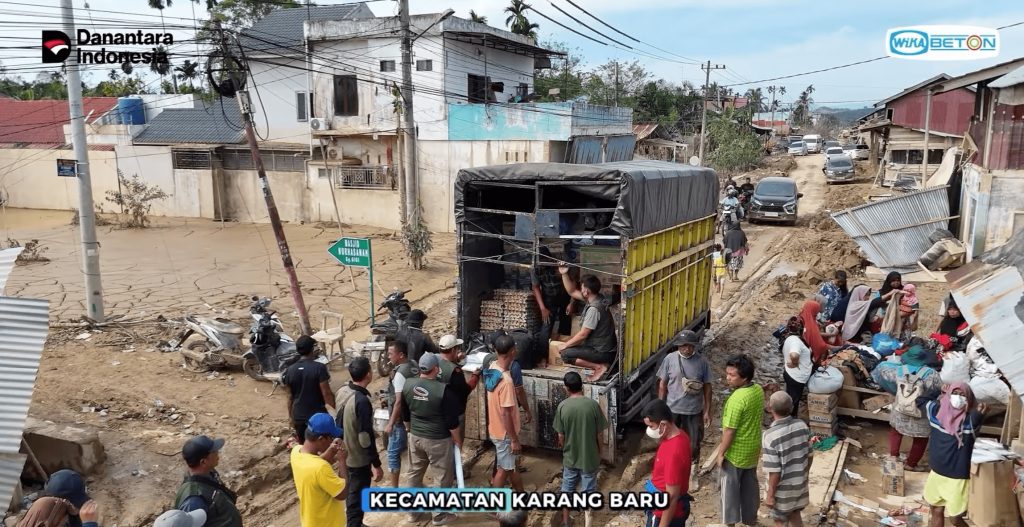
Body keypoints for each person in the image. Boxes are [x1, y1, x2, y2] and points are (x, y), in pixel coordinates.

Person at [403, 352, 463, 525]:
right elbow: (452, 422)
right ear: (436, 369)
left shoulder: (408, 384)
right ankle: (439, 515)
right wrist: (458, 440)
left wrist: (409, 429)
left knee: (414, 473)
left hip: (415, 436)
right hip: (438, 439)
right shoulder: (443, 391)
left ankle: (412, 512)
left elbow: (405, 412)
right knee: (441, 477)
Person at [656, 329, 712, 491]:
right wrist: (660, 407)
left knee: (693, 443)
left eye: (690, 346)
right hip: (672, 409)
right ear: (678, 346)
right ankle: (668, 469)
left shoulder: (702, 362)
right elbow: (662, 384)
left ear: (694, 346)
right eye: (683, 346)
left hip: (694, 411)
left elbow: (708, 387)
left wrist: (707, 410)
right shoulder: (669, 359)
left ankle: (692, 473)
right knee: (668, 441)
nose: (686, 349)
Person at [924, 383, 985, 527]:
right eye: (955, 393)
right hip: (936, 472)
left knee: (955, 519)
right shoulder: (935, 414)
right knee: (936, 511)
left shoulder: (970, 421)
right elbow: (921, 399)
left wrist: (979, 409)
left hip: (957, 479)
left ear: (968, 399)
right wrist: (939, 389)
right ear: (948, 395)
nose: (958, 397)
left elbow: (980, 409)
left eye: (963, 395)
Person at [714, 355, 764, 527]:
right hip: (752, 449)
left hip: (736, 453)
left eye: (732, 375)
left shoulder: (736, 399)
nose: (727, 377)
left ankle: (730, 523)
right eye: (727, 373)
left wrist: (721, 453)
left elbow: (729, 431)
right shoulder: (757, 390)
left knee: (729, 491)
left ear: (744, 377)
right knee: (750, 487)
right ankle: (751, 519)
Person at [554, 371, 609, 527]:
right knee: (589, 489)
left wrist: (565, 448)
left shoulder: (562, 406)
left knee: (567, 488)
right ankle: (588, 523)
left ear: (566, 388)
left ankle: (566, 521)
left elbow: (560, 436)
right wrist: (599, 451)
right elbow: (599, 434)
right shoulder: (593, 405)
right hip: (589, 457)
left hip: (570, 457)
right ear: (582, 386)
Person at [879, 345, 942, 471]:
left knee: (896, 431)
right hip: (920, 411)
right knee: (920, 438)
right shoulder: (932, 374)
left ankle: (893, 457)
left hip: (901, 408)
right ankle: (911, 464)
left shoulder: (899, 370)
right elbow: (938, 390)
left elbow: (885, 375)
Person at [336, 357, 383, 527]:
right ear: (368, 374)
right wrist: (376, 464)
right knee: (357, 498)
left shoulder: (342, 390)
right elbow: (365, 438)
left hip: (345, 452)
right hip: (358, 458)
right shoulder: (362, 401)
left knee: (352, 493)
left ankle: (357, 523)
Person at [556, 267, 618, 382]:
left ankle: (599, 367)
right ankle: (602, 364)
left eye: (582, 287)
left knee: (566, 354)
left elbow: (583, 334)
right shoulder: (598, 298)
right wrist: (564, 274)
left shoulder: (594, 309)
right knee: (571, 345)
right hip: (606, 349)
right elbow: (571, 291)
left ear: (586, 291)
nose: (580, 289)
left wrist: (565, 345)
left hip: (602, 351)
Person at [762, 392, 811, 527]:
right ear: (791, 407)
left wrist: (770, 495)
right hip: (800, 485)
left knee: (780, 521)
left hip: (783, 491)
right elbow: (809, 455)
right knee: (795, 514)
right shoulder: (802, 426)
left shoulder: (770, 436)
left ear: (770, 408)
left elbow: (775, 471)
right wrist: (804, 475)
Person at [290, 413, 348, 527]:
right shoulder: (321, 468)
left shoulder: (296, 452)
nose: (332, 440)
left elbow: (313, 464)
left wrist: (331, 451)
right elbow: (342, 493)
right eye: (331, 438)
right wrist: (342, 460)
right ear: (321, 439)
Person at [642, 399, 692, 527]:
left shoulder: (673, 451)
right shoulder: (680, 435)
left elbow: (672, 496)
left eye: (651, 426)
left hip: (664, 514)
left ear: (663, 424)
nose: (649, 430)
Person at [174, 436, 243, 527]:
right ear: (203, 462)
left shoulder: (208, 473)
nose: (218, 453)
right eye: (214, 452)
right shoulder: (193, 501)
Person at [486, 335, 525, 493]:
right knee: (503, 469)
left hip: (495, 428)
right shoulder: (507, 382)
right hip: (504, 434)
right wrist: (514, 440)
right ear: (513, 352)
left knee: (511, 466)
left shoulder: (492, 367)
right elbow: (506, 414)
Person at [283, 335, 335, 444]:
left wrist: (291, 418)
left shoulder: (289, 370)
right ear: (312, 349)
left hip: (299, 416)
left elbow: (289, 397)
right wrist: (333, 414)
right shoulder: (319, 368)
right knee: (323, 446)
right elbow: (326, 393)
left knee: (305, 447)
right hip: (317, 418)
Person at [383, 340, 418, 487]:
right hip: (414, 414)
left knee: (392, 453)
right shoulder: (414, 365)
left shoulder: (399, 374)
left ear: (401, 355)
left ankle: (394, 489)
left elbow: (398, 402)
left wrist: (390, 423)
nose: (388, 356)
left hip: (400, 419)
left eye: (391, 353)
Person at [21, 470, 99, 527]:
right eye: (69, 505)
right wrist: (89, 524)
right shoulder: (45, 509)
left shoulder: (46, 507)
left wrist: (74, 515)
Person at [532, 247, 573, 355]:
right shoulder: (535, 267)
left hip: (564, 295)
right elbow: (535, 287)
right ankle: (543, 357)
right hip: (549, 298)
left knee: (565, 324)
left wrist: (572, 302)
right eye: (540, 261)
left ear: (549, 258)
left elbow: (573, 283)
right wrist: (542, 308)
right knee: (546, 326)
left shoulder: (559, 264)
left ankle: (562, 354)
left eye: (545, 260)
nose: (542, 264)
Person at [438, 334, 474, 432]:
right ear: (453, 350)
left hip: (438, 410)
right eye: (457, 348)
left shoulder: (434, 361)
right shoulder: (455, 371)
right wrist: (475, 376)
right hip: (455, 412)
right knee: (457, 439)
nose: (458, 350)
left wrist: (456, 359)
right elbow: (465, 390)